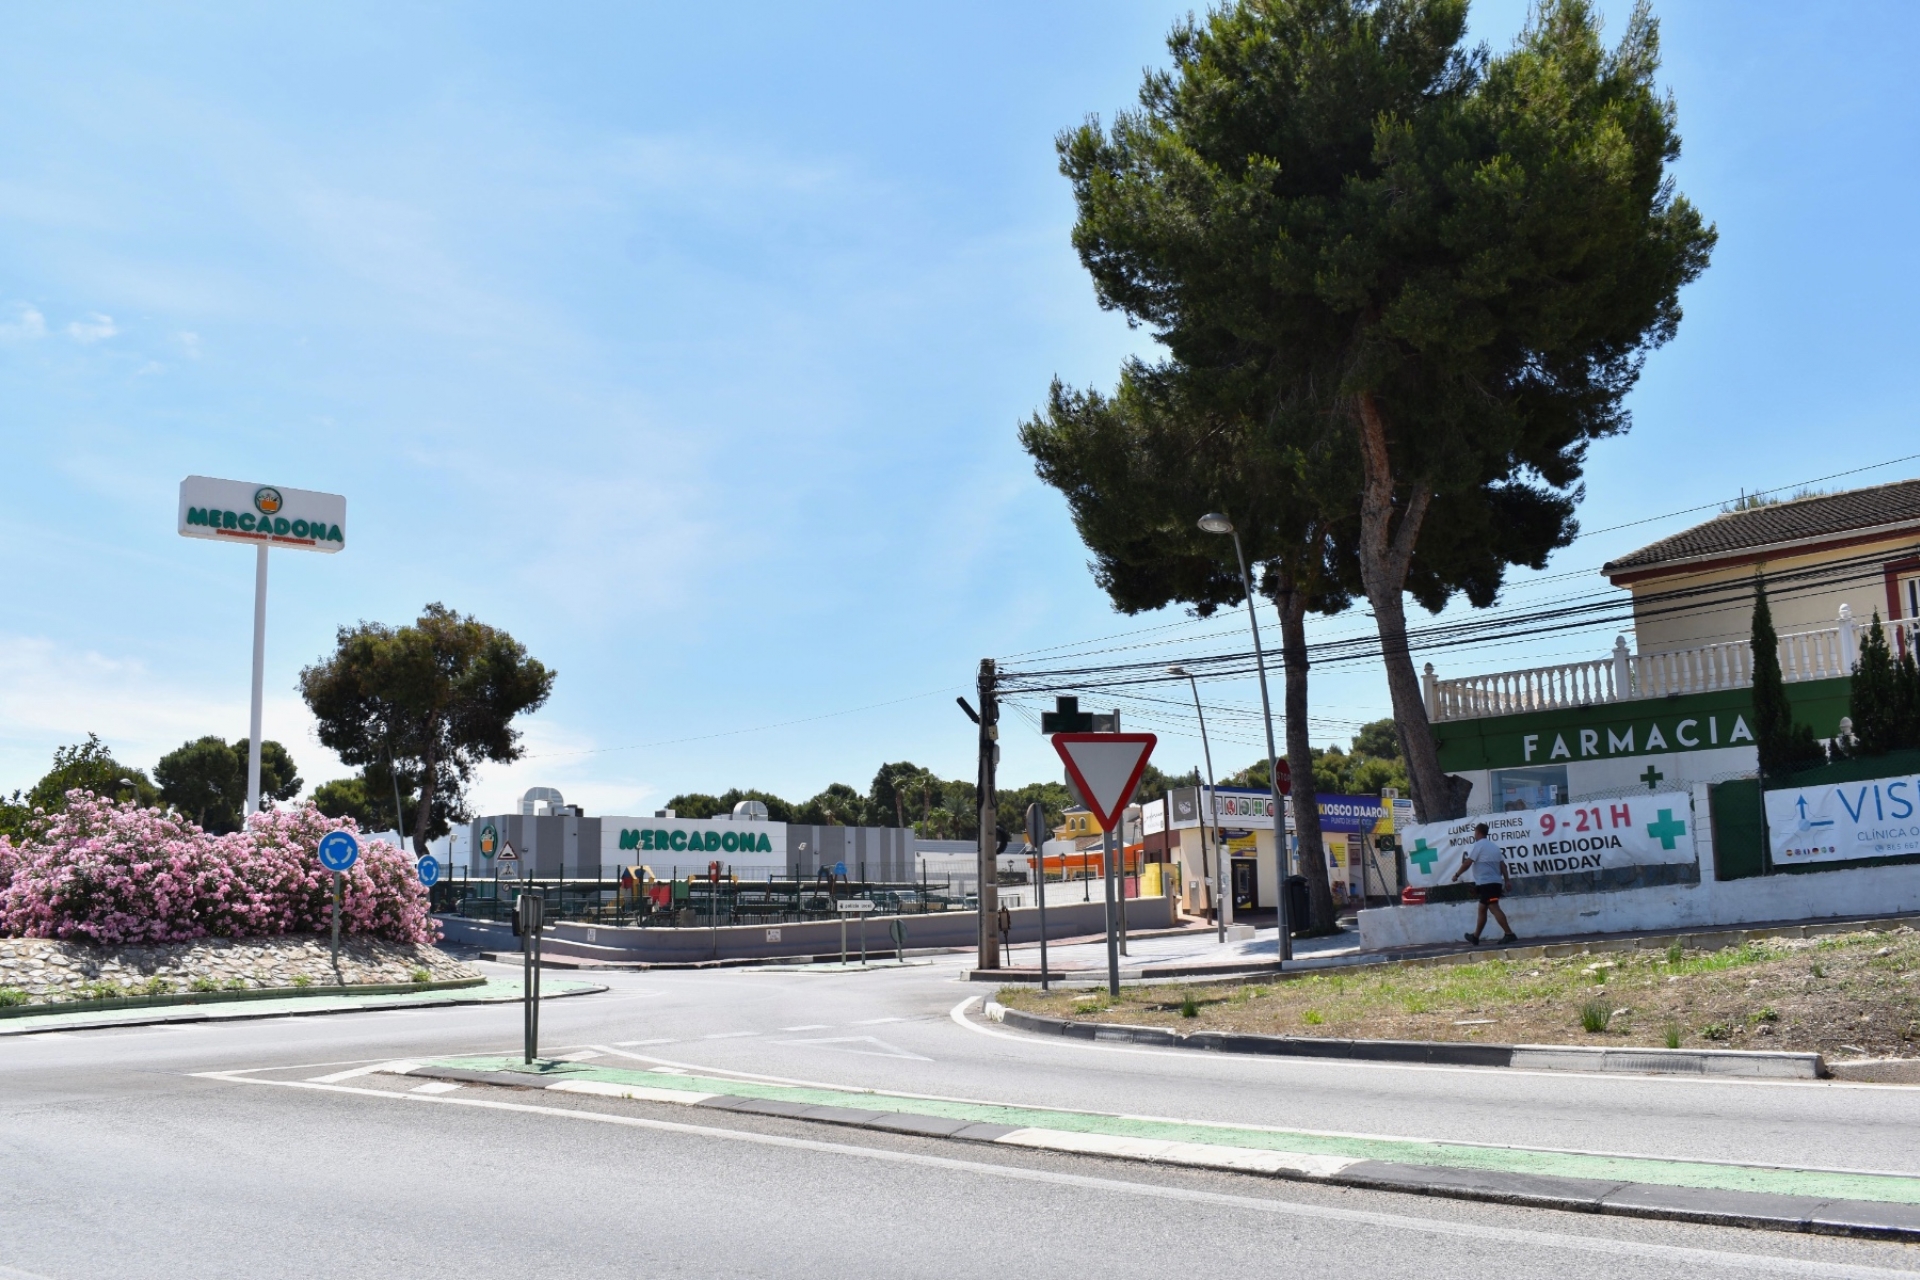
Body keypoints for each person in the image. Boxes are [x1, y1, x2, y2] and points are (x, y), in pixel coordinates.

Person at [1449, 822, 1518, 945]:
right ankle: (1475, 937)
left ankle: (1509, 934)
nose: (1474, 834)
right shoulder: (1494, 847)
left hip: (1488, 884)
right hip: (1493, 883)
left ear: (1478, 832)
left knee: (1494, 907)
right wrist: (1507, 880)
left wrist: (1457, 875)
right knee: (1482, 909)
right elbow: (1503, 865)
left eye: (1475, 832)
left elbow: (1468, 863)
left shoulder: (1478, 846)